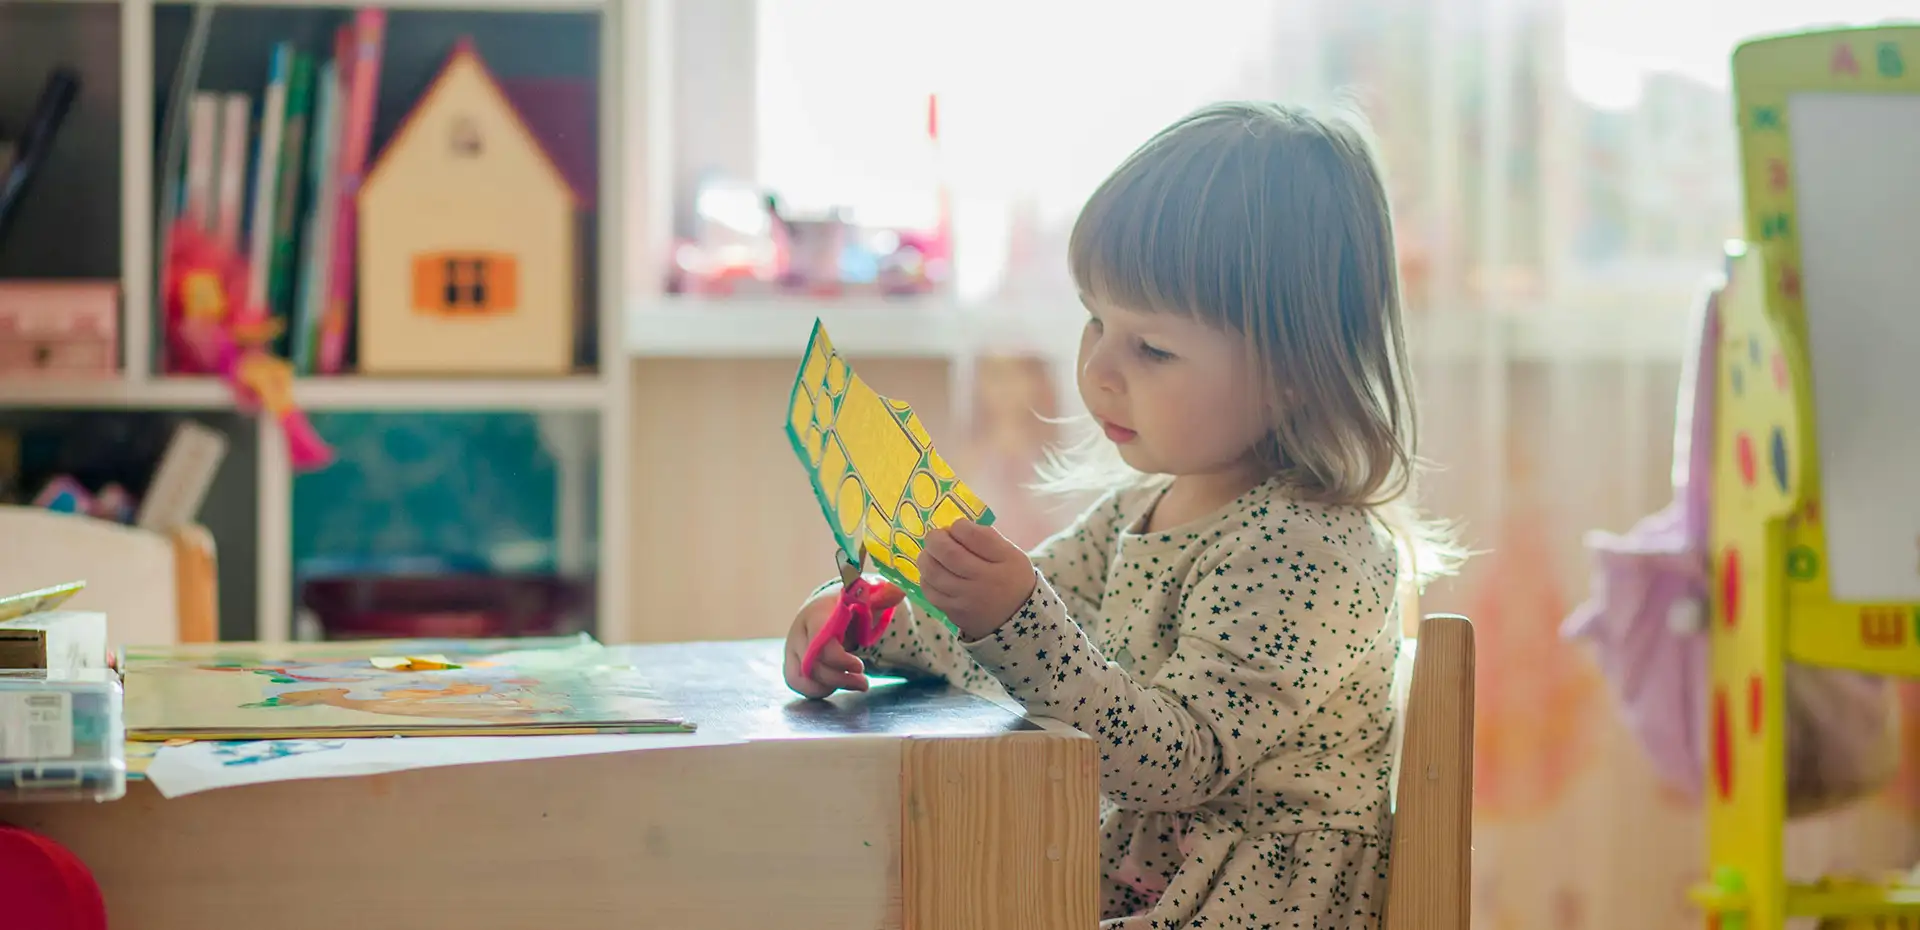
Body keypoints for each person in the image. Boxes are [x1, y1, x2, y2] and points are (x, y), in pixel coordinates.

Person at [783, 100, 1461, 929]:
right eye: (1096, 320)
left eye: (1153, 348)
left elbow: (1175, 763)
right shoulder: (1135, 513)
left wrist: (1013, 619)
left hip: (1252, 906)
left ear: (1297, 370)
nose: (1098, 367)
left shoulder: (1314, 550)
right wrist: (868, 620)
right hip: (1145, 881)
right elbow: (1007, 645)